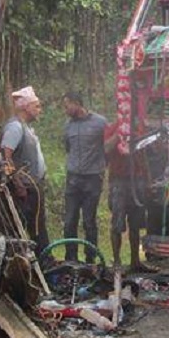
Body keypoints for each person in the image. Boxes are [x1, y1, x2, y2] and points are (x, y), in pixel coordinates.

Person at [2, 86, 50, 261]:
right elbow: (5, 157)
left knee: (38, 226)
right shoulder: (15, 127)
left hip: (34, 186)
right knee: (24, 227)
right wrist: (17, 183)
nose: (39, 110)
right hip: (23, 189)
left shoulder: (27, 127)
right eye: (36, 106)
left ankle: (44, 261)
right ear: (25, 107)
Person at [61, 91, 108, 263]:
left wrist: (101, 169)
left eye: (67, 106)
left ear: (77, 103)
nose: (66, 110)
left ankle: (90, 259)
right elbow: (68, 148)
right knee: (69, 220)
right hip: (73, 179)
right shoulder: (68, 126)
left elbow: (107, 148)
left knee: (89, 221)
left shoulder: (100, 123)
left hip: (92, 179)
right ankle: (71, 258)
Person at [106, 118, 153, 271]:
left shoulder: (140, 128)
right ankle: (117, 261)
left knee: (136, 222)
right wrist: (120, 134)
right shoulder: (113, 127)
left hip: (137, 179)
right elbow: (106, 148)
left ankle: (135, 261)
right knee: (117, 222)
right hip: (118, 180)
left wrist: (148, 180)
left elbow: (144, 154)